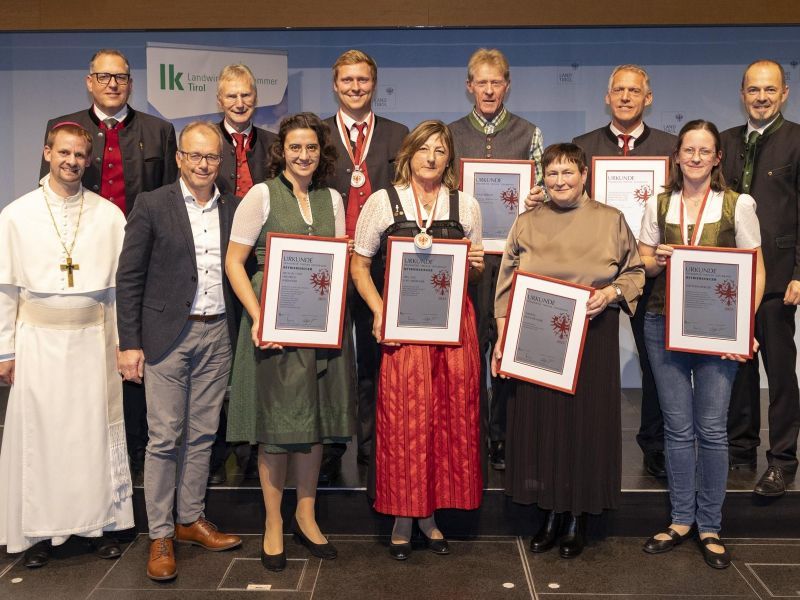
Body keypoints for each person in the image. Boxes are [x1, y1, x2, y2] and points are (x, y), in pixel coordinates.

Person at [493, 143, 644, 559]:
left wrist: (611, 293)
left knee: (583, 426)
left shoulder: (610, 220)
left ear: (584, 175)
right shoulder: (526, 221)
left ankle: (577, 514)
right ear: (543, 178)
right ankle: (549, 511)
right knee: (542, 425)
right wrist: (503, 338)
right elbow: (505, 284)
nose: (560, 181)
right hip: (536, 335)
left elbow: (634, 272)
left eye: (568, 172)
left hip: (593, 336)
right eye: (552, 174)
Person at [225, 112, 356, 572]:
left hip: (318, 324)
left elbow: (336, 261)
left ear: (322, 153)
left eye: (312, 148)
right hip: (274, 324)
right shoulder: (261, 195)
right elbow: (235, 262)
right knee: (277, 427)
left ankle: (306, 514)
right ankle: (273, 521)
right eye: (296, 147)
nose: (304, 156)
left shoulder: (332, 199)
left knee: (313, 421)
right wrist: (259, 316)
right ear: (282, 151)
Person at [42, 48, 178, 484]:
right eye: (103, 76)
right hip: (84, 263)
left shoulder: (159, 131)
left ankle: (135, 449)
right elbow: (47, 199)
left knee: (135, 353)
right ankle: (85, 450)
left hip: (143, 263)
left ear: (131, 83)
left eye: (120, 77)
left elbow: (171, 202)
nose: (113, 84)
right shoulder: (64, 129)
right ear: (89, 82)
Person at [350, 120, 485, 560]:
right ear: (408, 155)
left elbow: (474, 270)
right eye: (424, 149)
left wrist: (476, 265)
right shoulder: (382, 202)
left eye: (440, 150)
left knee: (449, 418)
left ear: (449, 159)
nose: (431, 157)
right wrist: (379, 309)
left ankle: (430, 515)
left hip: (453, 329)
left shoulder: (465, 205)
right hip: (403, 327)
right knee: (405, 420)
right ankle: (403, 516)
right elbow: (359, 266)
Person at [0, 122, 132, 568]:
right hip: (37, 344)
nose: (71, 162)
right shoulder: (16, 215)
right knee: (42, 438)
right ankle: (39, 534)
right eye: (64, 153)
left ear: (88, 160)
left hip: (93, 343)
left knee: (91, 436)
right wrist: (5, 351)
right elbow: (6, 291)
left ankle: (98, 527)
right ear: (47, 153)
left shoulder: (108, 216)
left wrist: (123, 345)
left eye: (79, 155)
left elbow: (118, 292)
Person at [116, 121, 242, 581]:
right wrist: (130, 343)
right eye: (195, 155)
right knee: (165, 436)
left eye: (212, 157)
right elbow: (129, 277)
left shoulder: (235, 207)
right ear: (179, 158)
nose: (204, 164)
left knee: (203, 433)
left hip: (219, 333)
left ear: (220, 161)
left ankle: (190, 518)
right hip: (166, 335)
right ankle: (160, 534)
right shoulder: (152, 205)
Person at [639, 119, 765, 569]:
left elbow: (756, 270)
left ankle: (709, 524)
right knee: (677, 428)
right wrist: (657, 259)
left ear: (717, 158)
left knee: (711, 428)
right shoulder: (658, 204)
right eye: (688, 150)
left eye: (704, 150)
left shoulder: (738, 204)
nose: (695, 157)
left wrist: (742, 327)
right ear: (677, 156)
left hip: (716, 331)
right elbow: (644, 263)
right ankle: (680, 520)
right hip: (663, 325)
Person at [571, 64, 677, 479]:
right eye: (619, 90)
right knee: (584, 361)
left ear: (648, 98)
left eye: (634, 91)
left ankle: (655, 445)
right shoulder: (583, 146)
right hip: (594, 272)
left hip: (650, 271)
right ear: (607, 97)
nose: (626, 97)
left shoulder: (670, 148)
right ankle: (583, 440)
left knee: (655, 363)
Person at [448, 48, 545, 471]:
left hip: (513, 259)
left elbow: (546, 191)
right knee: (469, 350)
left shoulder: (530, 133)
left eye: (496, 82)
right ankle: (469, 433)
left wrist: (537, 196)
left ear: (507, 85)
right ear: (469, 86)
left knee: (507, 349)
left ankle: (502, 436)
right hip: (466, 260)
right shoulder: (449, 135)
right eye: (481, 82)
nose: (488, 90)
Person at [320, 50, 409, 482]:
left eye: (363, 80)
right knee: (331, 358)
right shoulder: (317, 133)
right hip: (331, 262)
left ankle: (374, 444)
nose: (355, 87)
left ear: (374, 84)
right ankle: (332, 444)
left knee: (376, 356)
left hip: (380, 263)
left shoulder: (398, 134)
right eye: (347, 80)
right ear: (335, 85)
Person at [722, 60, 800, 496]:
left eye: (770, 90)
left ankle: (783, 460)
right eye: (754, 90)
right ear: (742, 94)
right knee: (738, 367)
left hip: (778, 278)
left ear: (784, 93)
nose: (762, 97)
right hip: (731, 279)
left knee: (781, 373)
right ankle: (740, 452)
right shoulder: (725, 141)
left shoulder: (797, 140)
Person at [209, 63, 278, 485]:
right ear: (219, 100)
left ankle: (255, 447)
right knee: (221, 356)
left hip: (263, 264)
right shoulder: (205, 143)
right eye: (231, 96)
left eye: (246, 95)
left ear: (256, 97)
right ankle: (220, 449)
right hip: (215, 260)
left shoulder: (274, 144)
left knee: (257, 354)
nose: (239, 102)